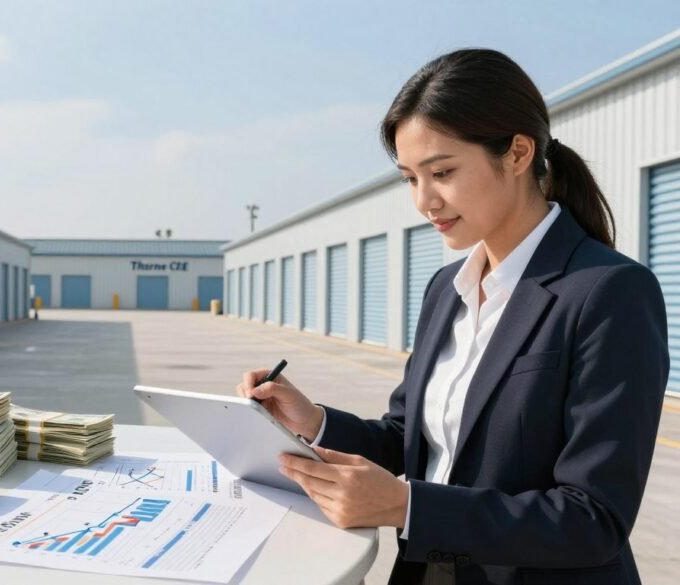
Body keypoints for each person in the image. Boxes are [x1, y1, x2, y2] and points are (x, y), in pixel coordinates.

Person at [237, 48, 669, 585]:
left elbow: (594, 518)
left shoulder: (609, 293)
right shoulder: (448, 288)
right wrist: (315, 421)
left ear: (516, 153)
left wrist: (407, 507)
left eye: (441, 172)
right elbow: (411, 439)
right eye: (409, 179)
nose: (424, 201)